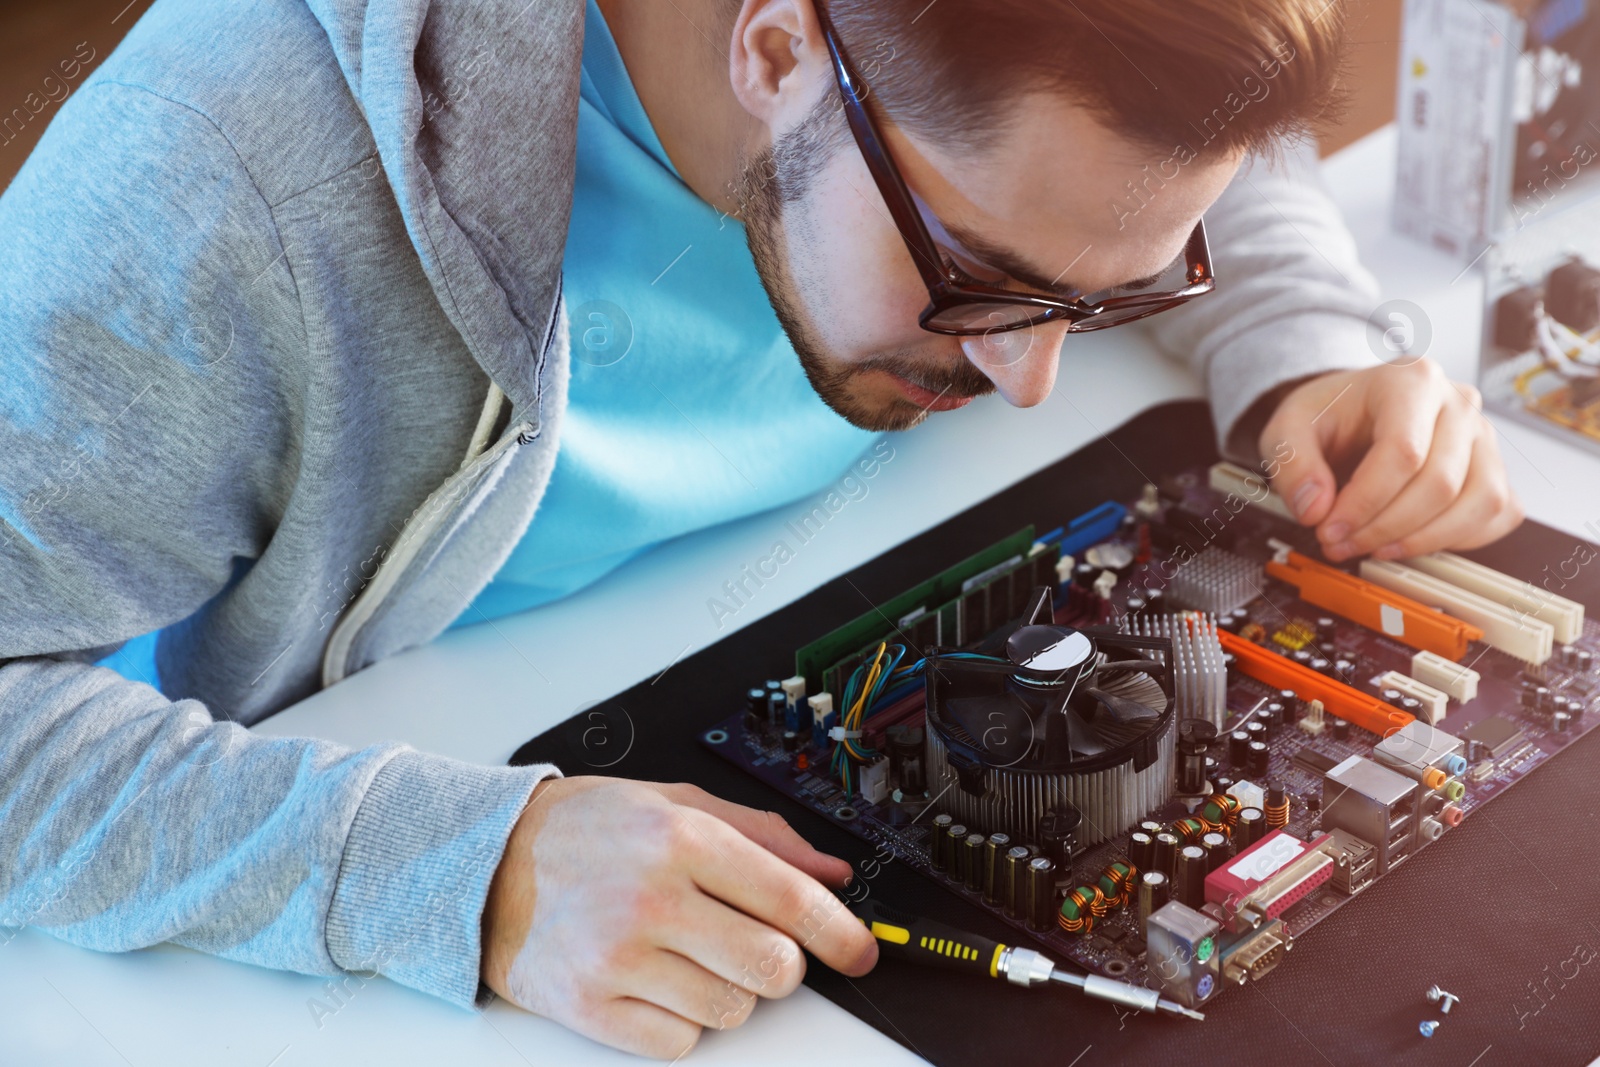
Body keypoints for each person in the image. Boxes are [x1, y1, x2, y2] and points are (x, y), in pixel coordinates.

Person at [0, 0, 1522, 1059]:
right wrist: (465, 870)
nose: (1029, 379)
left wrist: (1312, 338)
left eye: (1104, 295)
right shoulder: (216, 184)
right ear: (781, 48)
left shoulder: (991, 95)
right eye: (983, 280)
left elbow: (1171, 156)